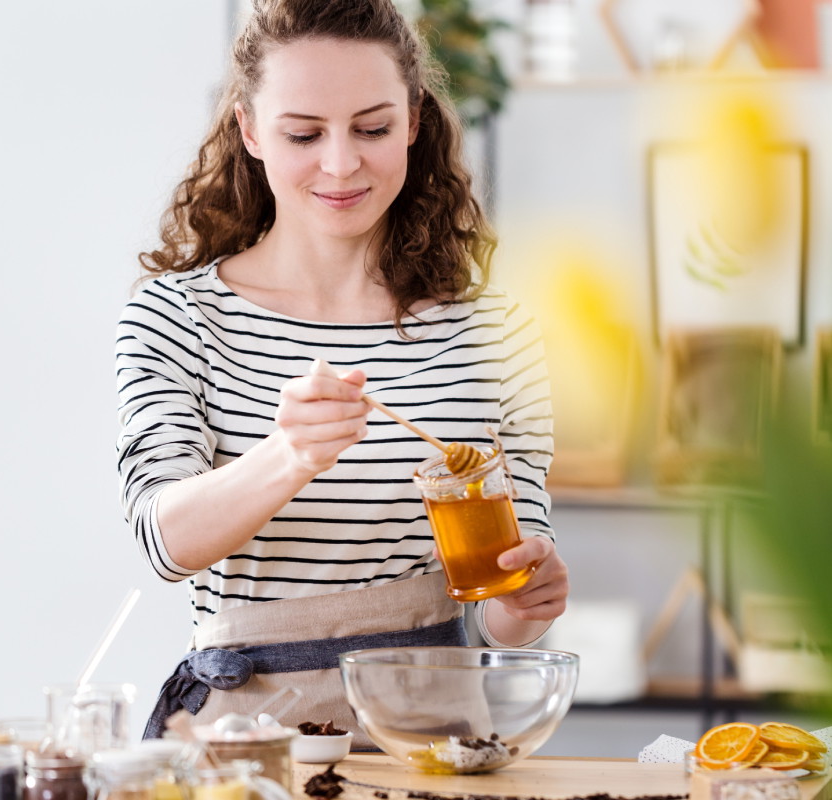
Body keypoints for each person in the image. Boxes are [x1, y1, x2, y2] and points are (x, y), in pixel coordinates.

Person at [116, 0, 569, 743]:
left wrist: (528, 598)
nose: (340, 162)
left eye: (372, 128)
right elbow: (163, 541)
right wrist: (285, 457)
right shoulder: (179, 317)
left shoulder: (497, 329)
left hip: (434, 733)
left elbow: (504, 609)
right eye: (303, 133)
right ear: (250, 129)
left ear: (415, 121)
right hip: (249, 742)